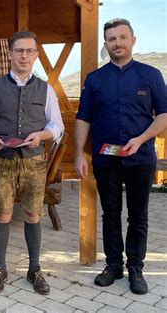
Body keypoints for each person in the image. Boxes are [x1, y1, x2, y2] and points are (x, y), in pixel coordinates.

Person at [74, 18, 167, 295]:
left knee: (138, 216)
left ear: (133, 40)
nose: (118, 43)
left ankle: (135, 268)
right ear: (106, 44)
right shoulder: (95, 80)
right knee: (110, 214)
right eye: (112, 39)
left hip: (140, 158)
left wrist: (141, 139)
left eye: (123, 37)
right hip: (106, 158)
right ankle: (113, 265)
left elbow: (163, 113)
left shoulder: (151, 75)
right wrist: (79, 154)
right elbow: (83, 118)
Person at [0, 31, 64, 295]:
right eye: (19, 51)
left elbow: (56, 125)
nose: (24, 55)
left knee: (33, 214)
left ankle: (34, 269)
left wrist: (43, 135)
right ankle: (0, 268)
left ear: (36, 55)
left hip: (33, 162)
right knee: (2, 214)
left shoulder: (46, 89)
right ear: (10, 54)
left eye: (30, 51)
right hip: (1, 161)